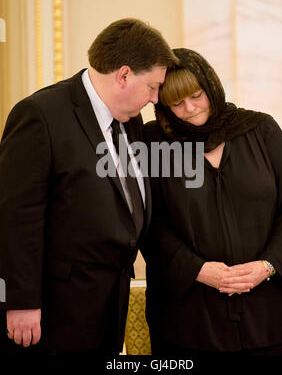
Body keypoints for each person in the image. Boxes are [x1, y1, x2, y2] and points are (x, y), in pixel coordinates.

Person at [0, 18, 177, 357]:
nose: (156, 99)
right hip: (54, 312)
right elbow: (15, 217)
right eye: (152, 87)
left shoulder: (131, 121)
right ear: (123, 75)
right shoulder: (41, 115)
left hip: (111, 306)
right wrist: (19, 301)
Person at [143, 48, 282, 355]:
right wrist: (198, 270)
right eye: (176, 102)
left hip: (272, 314)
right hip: (188, 320)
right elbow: (146, 221)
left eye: (197, 95)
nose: (189, 108)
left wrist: (267, 266)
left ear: (211, 87)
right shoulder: (152, 143)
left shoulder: (260, 129)